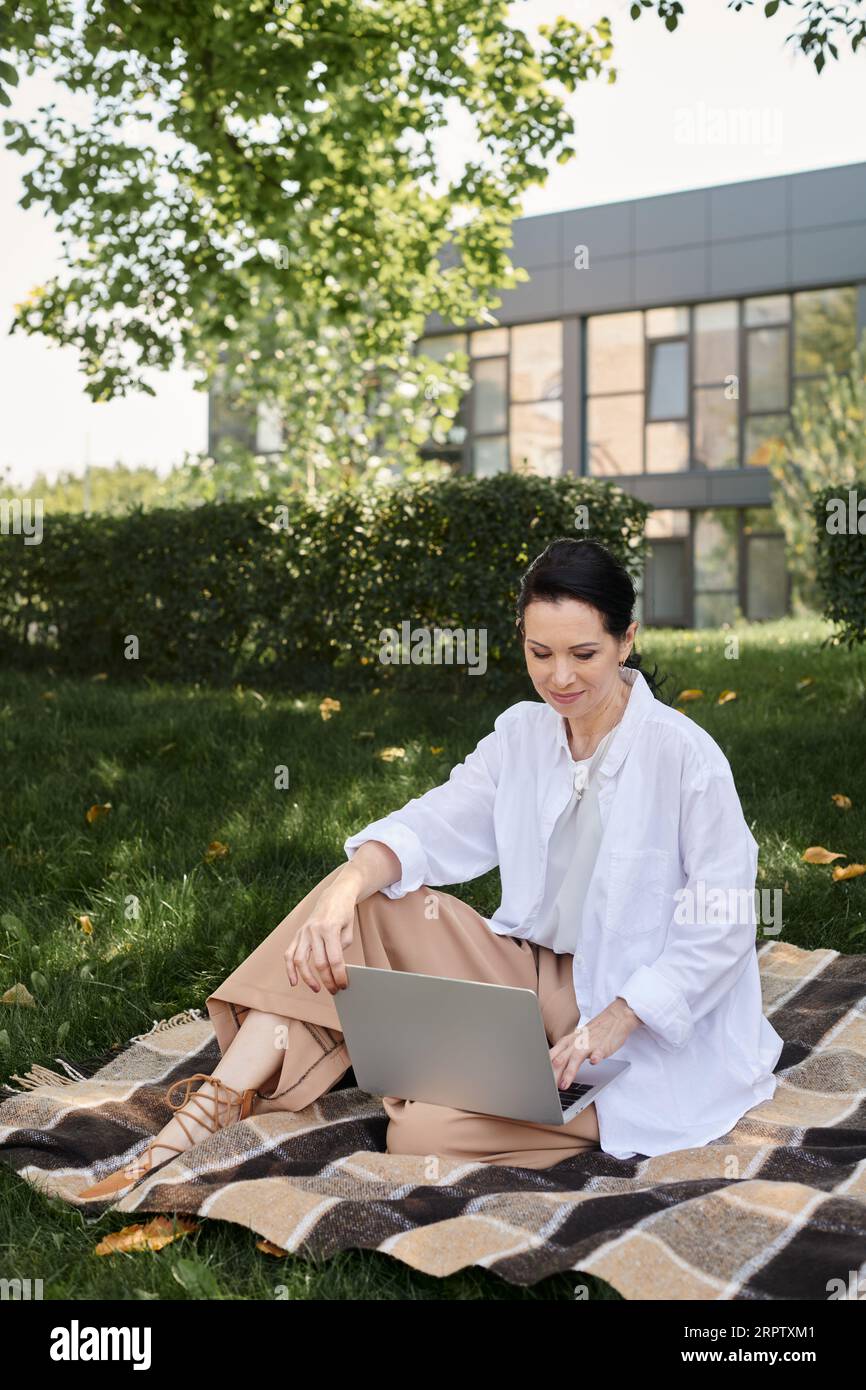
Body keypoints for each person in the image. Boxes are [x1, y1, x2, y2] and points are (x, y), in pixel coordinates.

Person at [79, 537, 783, 1200]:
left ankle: (427, 1073)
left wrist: (623, 1016)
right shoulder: (522, 734)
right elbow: (433, 823)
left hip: (643, 1016)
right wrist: (341, 890)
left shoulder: (684, 756)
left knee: (417, 1130)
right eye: (540, 653)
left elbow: (721, 921)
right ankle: (206, 1112)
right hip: (533, 977)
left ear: (628, 640)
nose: (559, 677)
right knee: (362, 897)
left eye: (584, 654)